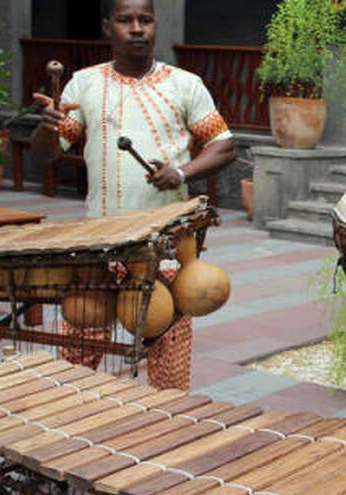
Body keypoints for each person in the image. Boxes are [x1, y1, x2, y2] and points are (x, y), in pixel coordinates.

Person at [30, 0, 236, 391]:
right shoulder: (83, 83)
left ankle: (166, 431)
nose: (137, 28)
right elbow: (48, 153)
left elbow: (224, 146)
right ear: (108, 27)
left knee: (168, 360)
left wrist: (180, 172)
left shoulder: (185, 83)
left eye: (145, 19)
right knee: (78, 355)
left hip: (167, 245)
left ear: (155, 26)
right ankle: (73, 421)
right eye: (126, 20)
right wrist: (46, 126)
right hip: (100, 243)